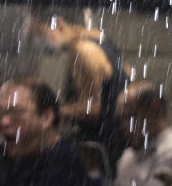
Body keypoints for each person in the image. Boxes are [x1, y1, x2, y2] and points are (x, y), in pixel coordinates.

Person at [29, 13, 128, 167]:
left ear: (59, 24)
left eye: (40, 34)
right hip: (117, 137)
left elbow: (93, 108)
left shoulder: (82, 50)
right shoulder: (98, 37)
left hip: (106, 143)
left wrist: (52, 113)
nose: (38, 42)